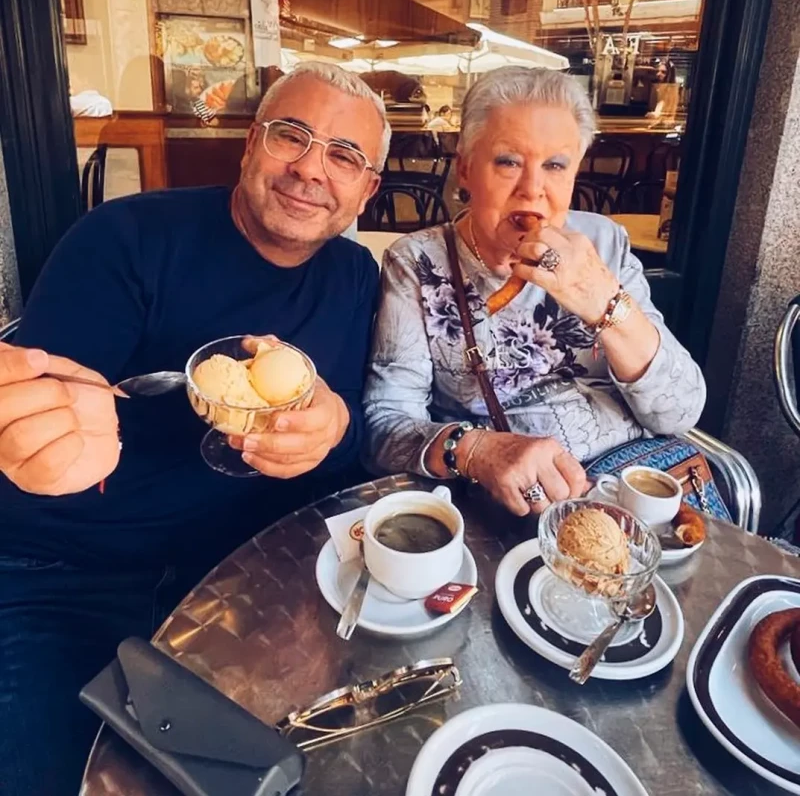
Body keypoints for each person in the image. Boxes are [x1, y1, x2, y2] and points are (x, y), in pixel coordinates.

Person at [0, 61, 389, 796]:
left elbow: (355, 441)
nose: (311, 169)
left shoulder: (355, 279)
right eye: (291, 137)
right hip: (63, 575)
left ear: (366, 190)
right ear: (249, 145)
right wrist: (33, 440)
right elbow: (44, 402)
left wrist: (336, 427)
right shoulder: (127, 239)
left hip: (245, 577)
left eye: (344, 156)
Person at [364, 66, 705, 517]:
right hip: (518, 504)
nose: (532, 189)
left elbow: (679, 413)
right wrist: (478, 451)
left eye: (555, 165)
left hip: (636, 487)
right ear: (465, 169)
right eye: (508, 162)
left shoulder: (605, 244)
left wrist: (603, 300)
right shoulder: (418, 262)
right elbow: (385, 425)